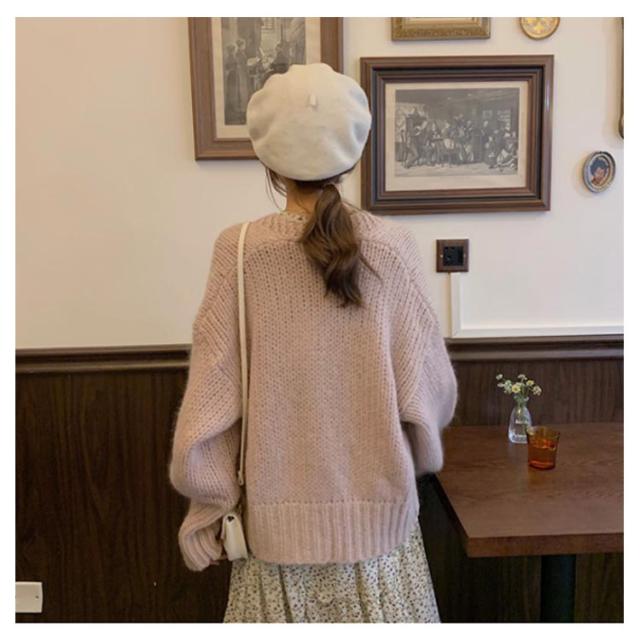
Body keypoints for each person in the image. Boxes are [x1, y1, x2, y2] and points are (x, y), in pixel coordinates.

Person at [168, 62, 458, 623]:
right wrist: (399, 462)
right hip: (380, 543)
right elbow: (432, 398)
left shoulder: (240, 251)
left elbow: (209, 405)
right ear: (352, 155)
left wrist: (209, 504)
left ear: (268, 159)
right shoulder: (392, 248)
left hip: (274, 543)